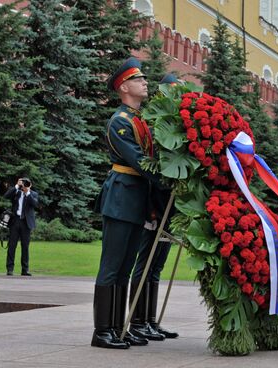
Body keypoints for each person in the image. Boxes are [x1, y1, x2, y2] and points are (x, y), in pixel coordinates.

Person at [91, 57, 160, 349]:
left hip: (136, 200)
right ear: (124, 87)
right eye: (139, 79)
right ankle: (102, 330)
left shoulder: (138, 120)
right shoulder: (120, 122)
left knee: (126, 267)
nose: (145, 82)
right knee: (111, 266)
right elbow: (139, 160)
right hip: (121, 197)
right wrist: (170, 175)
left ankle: (118, 327)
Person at [128, 74, 180, 341]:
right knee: (145, 263)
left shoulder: (175, 129)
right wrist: (150, 208)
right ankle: (136, 321)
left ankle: (149, 320)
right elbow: (149, 169)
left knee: (157, 264)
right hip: (153, 206)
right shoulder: (156, 128)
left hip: (169, 207)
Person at [4, 178, 38, 276]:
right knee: (12, 245)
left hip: (26, 222)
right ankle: (10, 269)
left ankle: (25, 269)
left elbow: (35, 204)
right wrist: (16, 186)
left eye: (27, 183)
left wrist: (27, 192)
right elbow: (6, 196)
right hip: (15, 221)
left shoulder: (33, 194)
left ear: (30, 185)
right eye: (23, 183)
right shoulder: (16, 192)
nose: (25, 185)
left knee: (25, 246)